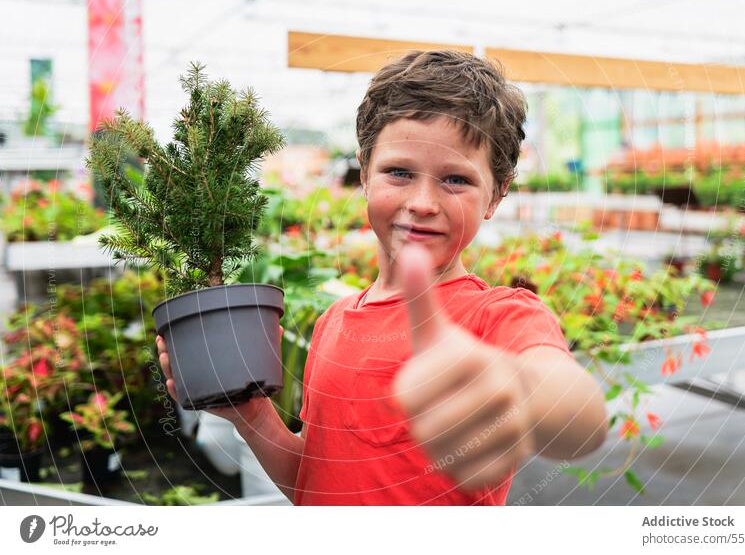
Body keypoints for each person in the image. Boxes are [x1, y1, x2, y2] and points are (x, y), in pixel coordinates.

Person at [157, 50, 608, 505]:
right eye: (399, 172)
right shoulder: (333, 322)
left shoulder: (498, 316)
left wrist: (519, 384)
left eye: (456, 179)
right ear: (365, 175)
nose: (423, 202)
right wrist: (253, 418)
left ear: (496, 194)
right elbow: (312, 483)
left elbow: (576, 412)